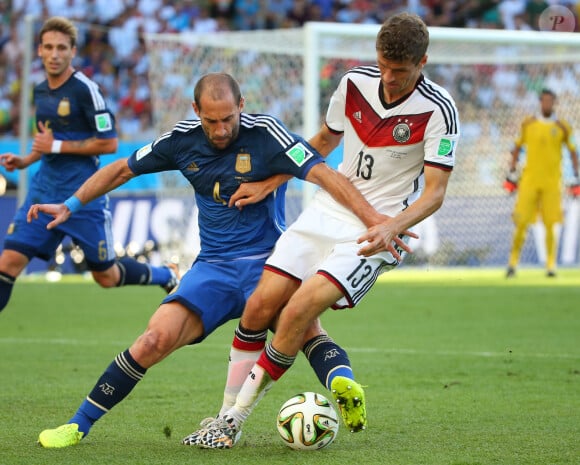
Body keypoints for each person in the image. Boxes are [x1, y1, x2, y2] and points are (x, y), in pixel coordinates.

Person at [32, 72, 411, 448]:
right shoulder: (180, 140)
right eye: (210, 120)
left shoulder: (266, 134)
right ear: (195, 109)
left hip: (270, 265)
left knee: (300, 329)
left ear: (241, 106)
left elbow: (325, 174)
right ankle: (78, 424)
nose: (219, 129)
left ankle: (341, 384)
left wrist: (375, 219)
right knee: (152, 339)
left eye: (228, 118)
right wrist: (70, 205)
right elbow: (121, 169)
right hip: (212, 270)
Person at [184, 12, 460, 449]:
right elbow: (323, 144)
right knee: (258, 306)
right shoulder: (353, 84)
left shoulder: (439, 109)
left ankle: (234, 420)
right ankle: (223, 413)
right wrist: (271, 181)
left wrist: (391, 227)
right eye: (384, 66)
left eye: (400, 71)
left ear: (422, 62)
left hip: (377, 229)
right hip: (328, 208)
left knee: (296, 313)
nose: (389, 78)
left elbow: (435, 193)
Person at [0, 17, 179, 314]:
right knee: (8, 263)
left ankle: (166, 274)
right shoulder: (40, 90)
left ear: (72, 51)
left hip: (83, 197)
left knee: (106, 277)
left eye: (61, 48)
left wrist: (55, 146)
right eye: (48, 47)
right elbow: (47, 138)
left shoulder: (86, 90)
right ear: (40, 51)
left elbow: (108, 142)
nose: (54, 54)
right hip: (43, 193)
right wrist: (26, 159)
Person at [504, 88, 578, 278]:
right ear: (540, 102)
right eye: (544, 101)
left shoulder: (563, 127)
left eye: (550, 101)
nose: (547, 104)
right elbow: (517, 147)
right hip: (529, 182)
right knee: (521, 222)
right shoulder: (528, 124)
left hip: (552, 184)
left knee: (550, 225)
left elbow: (572, 151)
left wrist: (576, 177)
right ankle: (512, 264)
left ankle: (551, 266)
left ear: (554, 103)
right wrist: (511, 172)